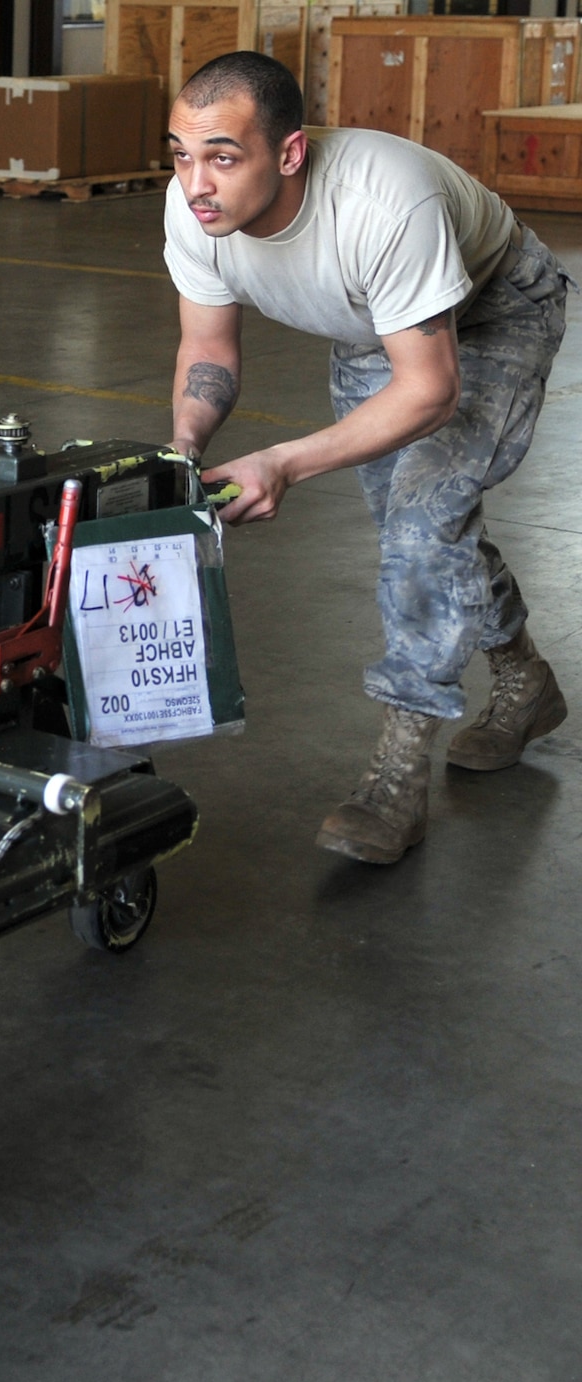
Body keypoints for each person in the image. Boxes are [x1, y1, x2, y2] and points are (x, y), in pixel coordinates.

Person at [163, 50, 572, 865]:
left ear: (288, 153)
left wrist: (284, 461)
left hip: (492, 315)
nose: (195, 181)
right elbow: (208, 347)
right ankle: (525, 680)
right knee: (422, 527)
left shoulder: (383, 200)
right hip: (371, 330)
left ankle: (397, 773)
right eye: (179, 152)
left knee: (423, 523)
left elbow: (428, 388)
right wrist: (180, 454)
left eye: (221, 156)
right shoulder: (194, 212)